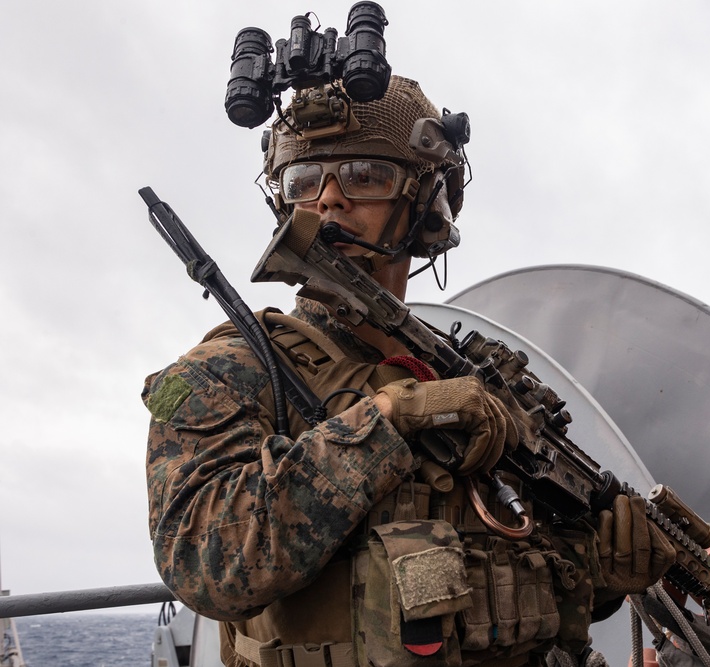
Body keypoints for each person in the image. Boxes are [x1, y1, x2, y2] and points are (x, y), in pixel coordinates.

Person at [144, 74, 675, 667]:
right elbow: (205, 563)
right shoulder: (231, 368)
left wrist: (601, 573)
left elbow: (522, 572)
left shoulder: (472, 378)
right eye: (303, 182)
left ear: (425, 204)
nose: (328, 201)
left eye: (364, 176)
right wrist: (390, 418)